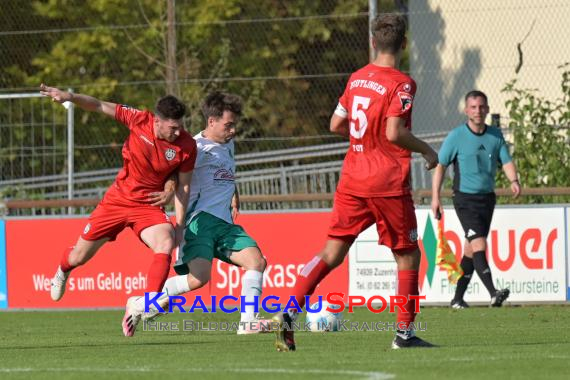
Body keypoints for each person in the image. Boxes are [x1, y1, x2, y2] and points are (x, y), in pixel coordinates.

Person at [272, 13, 439, 351]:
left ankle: (288, 311)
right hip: (387, 182)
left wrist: (365, 138)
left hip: (352, 178)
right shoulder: (402, 83)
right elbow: (395, 132)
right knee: (408, 257)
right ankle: (404, 336)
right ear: (403, 44)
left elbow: (336, 124)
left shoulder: (357, 78)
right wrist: (427, 151)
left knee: (332, 252)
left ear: (374, 43)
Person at [122, 91, 271, 337]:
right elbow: (172, 174)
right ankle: (140, 304)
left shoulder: (228, 144)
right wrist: (169, 190)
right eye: (228, 125)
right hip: (199, 222)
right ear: (211, 122)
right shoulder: (195, 147)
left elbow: (224, 172)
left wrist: (234, 192)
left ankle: (248, 322)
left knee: (256, 262)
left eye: (234, 125)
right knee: (198, 279)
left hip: (223, 223)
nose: (233, 130)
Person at [40, 84, 197, 315]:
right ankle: (62, 271)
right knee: (78, 257)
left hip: (148, 205)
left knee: (166, 241)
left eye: (180, 127)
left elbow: (184, 185)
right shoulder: (139, 120)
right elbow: (98, 105)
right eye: (173, 127)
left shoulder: (187, 145)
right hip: (117, 200)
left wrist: (180, 225)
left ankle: (148, 303)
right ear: (157, 120)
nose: (177, 132)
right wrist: (70, 97)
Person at [431, 90, 520, 309]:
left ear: (487, 109)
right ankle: (493, 292)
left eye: (481, 107)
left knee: (470, 250)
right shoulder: (456, 136)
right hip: (464, 200)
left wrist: (514, 180)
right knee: (480, 243)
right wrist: (435, 198)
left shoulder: (495, 136)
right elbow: (440, 166)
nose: (478, 111)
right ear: (466, 110)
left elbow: (506, 161)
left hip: (487, 199)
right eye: (473, 107)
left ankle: (457, 299)